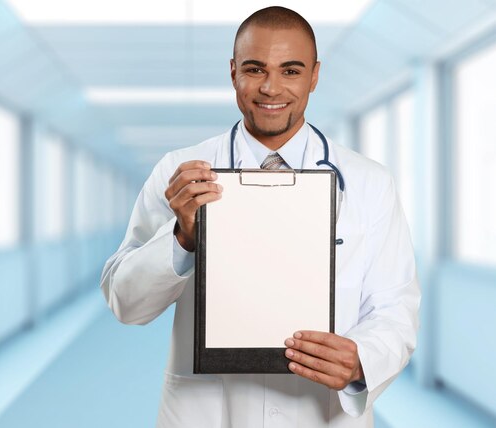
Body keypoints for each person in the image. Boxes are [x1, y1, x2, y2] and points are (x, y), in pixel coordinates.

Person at [100, 6, 420, 428]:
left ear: (315, 75)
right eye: (255, 68)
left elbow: (395, 308)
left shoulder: (368, 183)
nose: (271, 88)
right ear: (233, 72)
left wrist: (361, 359)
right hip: (207, 412)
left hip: (319, 413)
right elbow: (127, 303)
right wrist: (182, 238)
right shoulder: (180, 172)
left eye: (291, 71)